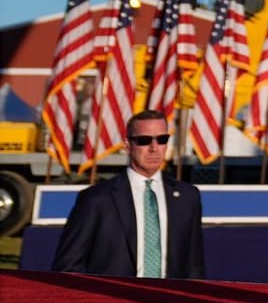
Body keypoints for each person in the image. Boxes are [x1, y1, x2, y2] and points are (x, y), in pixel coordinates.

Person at [51, 109, 204, 279]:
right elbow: (68, 266)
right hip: (112, 302)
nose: (154, 148)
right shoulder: (96, 199)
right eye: (144, 141)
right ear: (127, 144)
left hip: (167, 302)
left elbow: (194, 265)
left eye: (161, 139)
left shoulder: (188, 197)